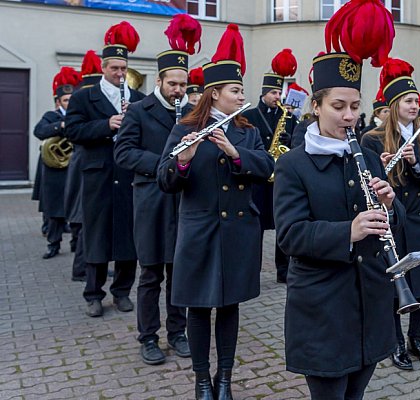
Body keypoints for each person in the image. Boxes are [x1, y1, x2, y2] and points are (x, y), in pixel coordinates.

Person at [273, 2, 404, 398]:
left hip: (368, 300)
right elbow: (291, 236)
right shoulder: (295, 163)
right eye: (338, 106)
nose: (349, 116)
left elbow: (383, 229)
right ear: (315, 106)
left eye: (354, 106)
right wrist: (349, 229)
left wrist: (389, 205)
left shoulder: (363, 152)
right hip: (323, 306)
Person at [157, 24, 272, 400]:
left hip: (239, 232)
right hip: (199, 230)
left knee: (228, 307)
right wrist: (184, 161)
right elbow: (165, 179)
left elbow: (265, 167)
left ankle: (224, 378)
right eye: (235, 91)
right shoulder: (184, 128)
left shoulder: (247, 130)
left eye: (241, 91)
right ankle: (202, 379)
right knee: (197, 307)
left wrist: (235, 153)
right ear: (215, 94)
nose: (242, 96)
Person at [114, 14, 199, 366]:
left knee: (178, 272)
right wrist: (164, 162)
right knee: (150, 273)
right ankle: (148, 336)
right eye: (173, 84)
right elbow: (123, 152)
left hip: (184, 202)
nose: (179, 90)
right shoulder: (138, 110)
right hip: (151, 200)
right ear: (160, 80)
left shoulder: (193, 112)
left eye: (183, 84)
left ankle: (177, 332)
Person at [362, 58, 420, 372]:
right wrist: (381, 166)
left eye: (417, 100)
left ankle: (417, 337)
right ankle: (396, 341)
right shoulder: (372, 138)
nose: (416, 105)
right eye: (410, 101)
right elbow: (366, 181)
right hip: (394, 221)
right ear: (395, 104)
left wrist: (415, 163)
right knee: (397, 284)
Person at [65, 21, 146, 317]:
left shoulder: (137, 99)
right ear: (103, 67)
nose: (121, 74)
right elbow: (72, 130)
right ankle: (93, 293)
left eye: (124, 68)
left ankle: (122, 291)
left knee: (128, 234)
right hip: (97, 174)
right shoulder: (83, 97)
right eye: (115, 68)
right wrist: (106, 125)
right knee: (96, 234)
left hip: (127, 175)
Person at [242, 48, 299, 284]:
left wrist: (288, 141)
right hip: (258, 178)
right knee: (255, 227)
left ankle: (282, 270)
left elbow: (297, 142)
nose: (278, 96)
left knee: (281, 225)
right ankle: (251, 271)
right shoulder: (251, 115)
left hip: (280, 177)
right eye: (274, 92)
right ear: (265, 93)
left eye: (280, 92)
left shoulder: (288, 116)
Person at [63, 50, 103, 282]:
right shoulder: (82, 102)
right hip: (83, 167)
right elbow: (75, 131)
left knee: (86, 221)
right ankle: (81, 269)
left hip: (86, 166)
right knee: (84, 220)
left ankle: (87, 265)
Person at [34, 67, 80, 260]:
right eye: (66, 100)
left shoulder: (79, 117)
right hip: (54, 171)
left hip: (73, 168)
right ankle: (53, 244)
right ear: (58, 102)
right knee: (54, 210)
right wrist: (60, 125)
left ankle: (76, 245)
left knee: (76, 210)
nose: (69, 104)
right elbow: (39, 131)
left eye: (71, 100)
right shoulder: (51, 116)